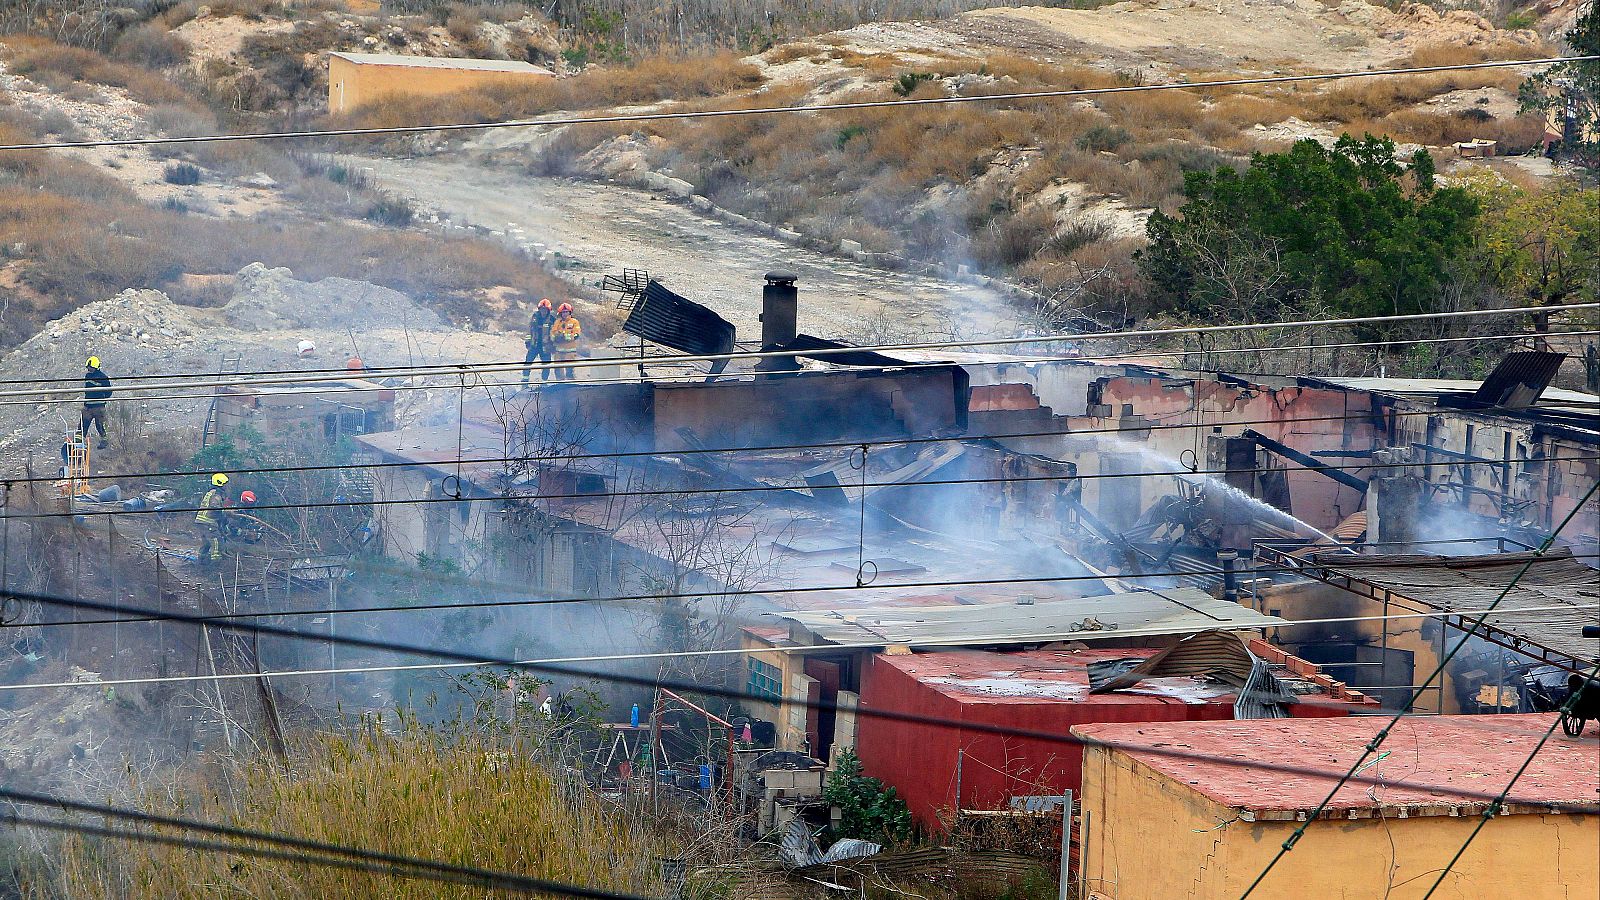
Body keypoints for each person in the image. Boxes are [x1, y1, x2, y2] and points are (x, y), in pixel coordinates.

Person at [195, 473, 231, 565]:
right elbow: (214, 506)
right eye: (225, 483)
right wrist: (225, 511)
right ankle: (215, 565)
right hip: (208, 522)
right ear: (221, 483)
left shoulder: (211, 492)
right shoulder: (216, 495)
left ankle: (201, 563)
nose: (227, 486)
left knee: (206, 543)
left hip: (201, 521)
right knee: (217, 541)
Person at [521, 298, 557, 385]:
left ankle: (544, 382)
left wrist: (553, 344)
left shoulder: (552, 319)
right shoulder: (535, 317)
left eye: (545, 310)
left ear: (548, 310)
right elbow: (530, 330)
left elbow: (555, 333)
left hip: (546, 347)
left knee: (546, 365)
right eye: (542, 309)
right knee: (528, 362)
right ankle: (525, 381)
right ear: (539, 309)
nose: (543, 311)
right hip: (534, 345)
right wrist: (528, 341)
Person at [82, 356, 112, 450]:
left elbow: (108, 392)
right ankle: (80, 444)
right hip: (93, 406)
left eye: (89, 366)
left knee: (95, 426)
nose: (87, 368)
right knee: (87, 426)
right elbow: (108, 393)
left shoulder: (99, 377)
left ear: (92, 365)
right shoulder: (97, 376)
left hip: (94, 407)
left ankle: (104, 441)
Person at [550, 302, 582, 381]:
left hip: (570, 350)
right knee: (557, 369)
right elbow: (552, 333)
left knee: (569, 369)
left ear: (570, 312)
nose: (565, 314)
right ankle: (560, 385)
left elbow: (576, 334)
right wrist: (556, 337)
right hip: (558, 350)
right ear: (561, 313)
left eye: (566, 312)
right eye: (563, 312)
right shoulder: (557, 322)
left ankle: (571, 384)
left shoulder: (574, 322)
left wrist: (565, 337)